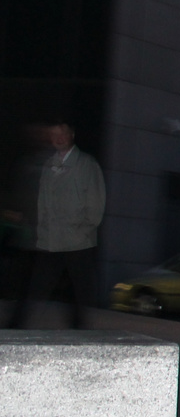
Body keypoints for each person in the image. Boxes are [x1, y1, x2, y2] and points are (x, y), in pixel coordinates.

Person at [3, 120, 104, 329]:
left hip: (77, 242)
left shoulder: (86, 164)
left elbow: (96, 203)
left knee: (77, 295)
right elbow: (42, 202)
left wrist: (82, 231)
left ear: (71, 135)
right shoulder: (49, 164)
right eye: (54, 135)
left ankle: (80, 335)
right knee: (35, 288)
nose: (58, 139)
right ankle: (15, 328)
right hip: (49, 242)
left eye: (62, 134)